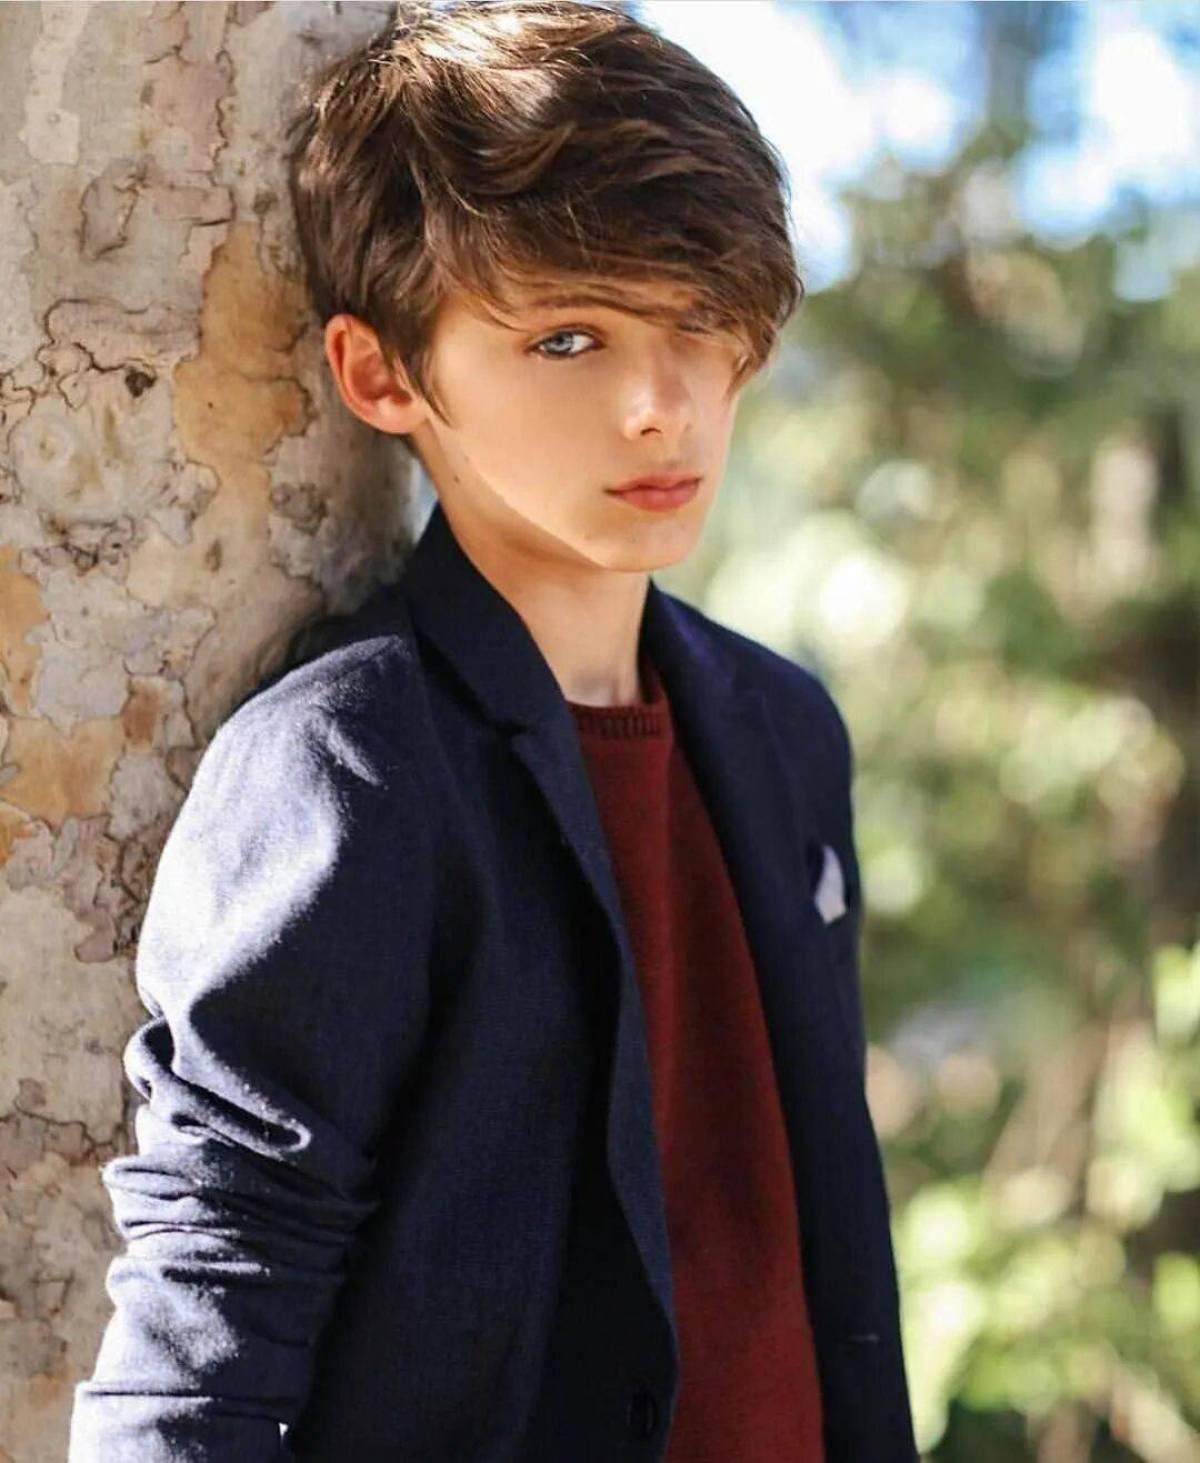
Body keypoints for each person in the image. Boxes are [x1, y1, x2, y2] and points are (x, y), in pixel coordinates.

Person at [68, 2, 917, 1459]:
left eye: (698, 322)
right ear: (382, 374)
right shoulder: (343, 766)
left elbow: (819, 1246)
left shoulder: (786, 731)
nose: (660, 405)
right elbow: (206, 1323)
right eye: (566, 337)